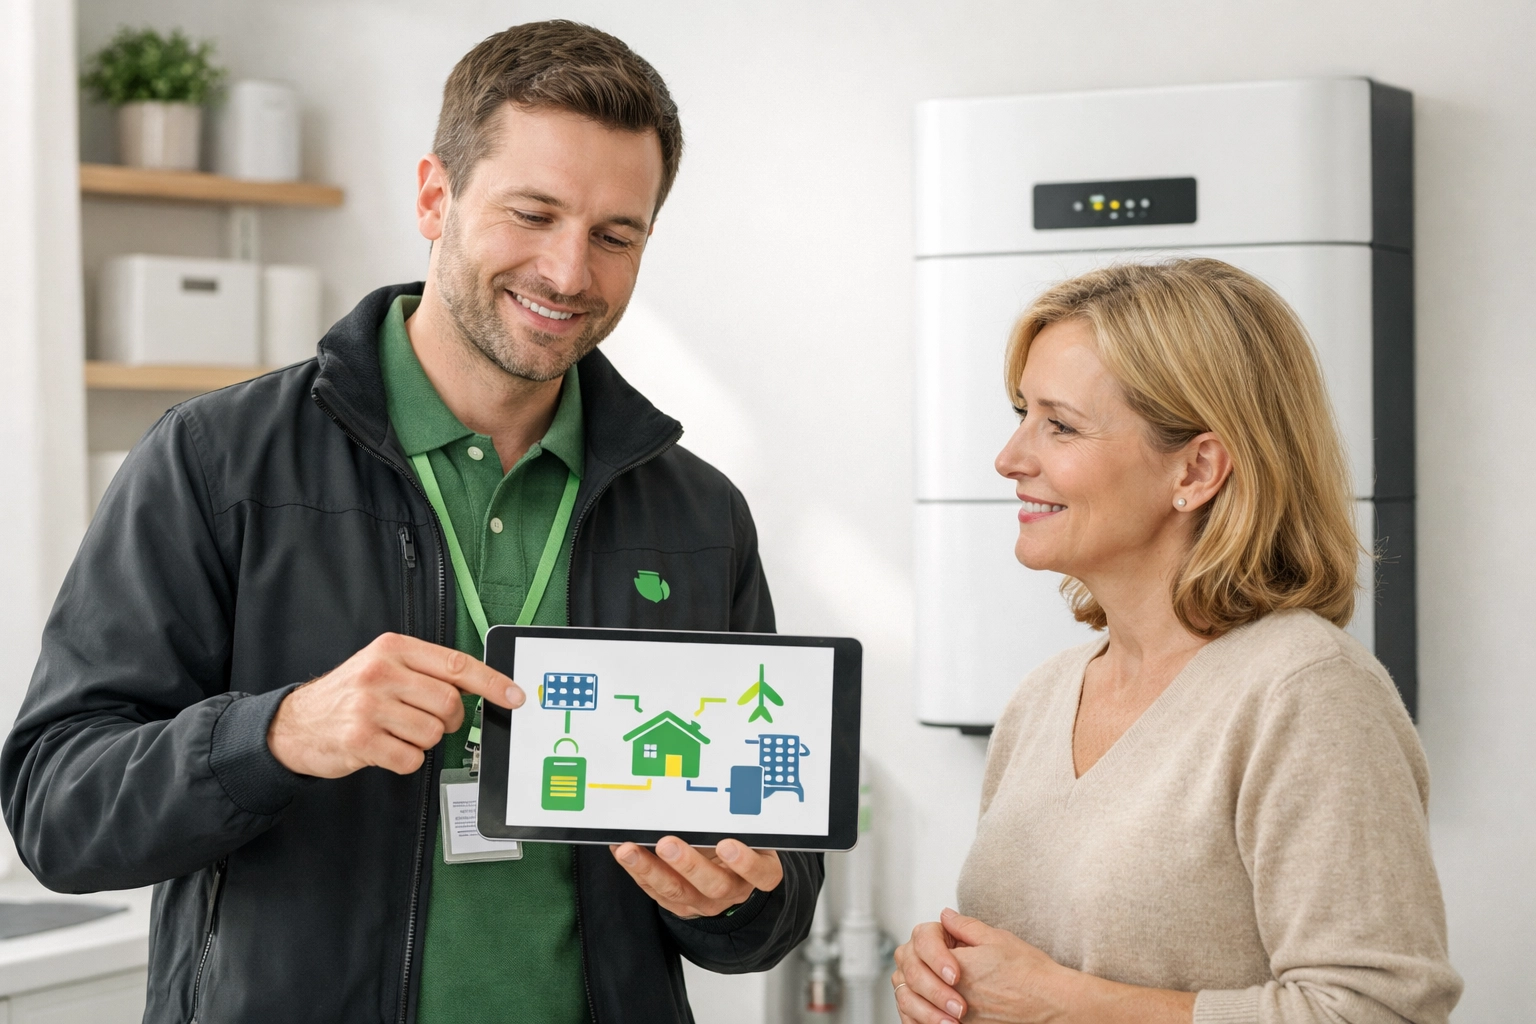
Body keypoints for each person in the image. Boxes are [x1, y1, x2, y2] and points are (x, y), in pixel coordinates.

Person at [1, 20, 819, 1024]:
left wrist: (740, 902)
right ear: (436, 195)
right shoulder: (215, 462)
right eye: (532, 213)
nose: (569, 273)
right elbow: (55, 807)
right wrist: (278, 732)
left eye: (616, 235)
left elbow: (772, 899)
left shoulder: (697, 514)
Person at [891, 259, 1461, 1024]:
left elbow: (1381, 1011)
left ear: (1196, 468)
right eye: (1022, 413)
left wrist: (1066, 1005)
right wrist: (947, 978)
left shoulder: (1307, 691)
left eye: (1059, 424)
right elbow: (1028, 975)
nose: (1010, 458)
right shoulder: (1045, 696)